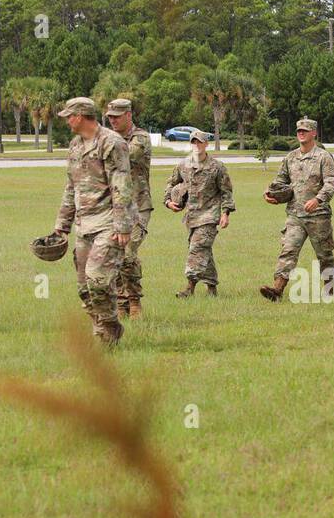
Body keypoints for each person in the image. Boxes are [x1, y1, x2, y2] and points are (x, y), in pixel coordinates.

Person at [51, 97, 135, 344]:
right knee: (84, 288)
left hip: (108, 221)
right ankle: (102, 330)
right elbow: (71, 186)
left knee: (98, 277)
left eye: (69, 116)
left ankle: (110, 325)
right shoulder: (75, 145)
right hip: (83, 223)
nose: (67, 121)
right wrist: (62, 225)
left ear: (80, 116)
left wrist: (122, 225)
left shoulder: (111, 143)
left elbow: (121, 185)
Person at [259, 118, 334, 302]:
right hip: (295, 215)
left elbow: (331, 183)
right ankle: (277, 289)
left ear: (314, 133)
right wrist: (270, 193)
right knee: (288, 250)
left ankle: (330, 290)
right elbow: (280, 181)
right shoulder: (291, 157)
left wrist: (318, 200)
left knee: (324, 255)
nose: (301, 133)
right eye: (299, 130)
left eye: (305, 130)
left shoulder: (323, 157)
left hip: (318, 216)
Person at [164, 129, 234, 297]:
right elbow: (171, 184)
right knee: (204, 251)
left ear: (206, 144)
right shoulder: (183, 165)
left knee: (197, 248)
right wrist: (168, 202)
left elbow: (226, 191)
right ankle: (212, 288)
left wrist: (226, 213)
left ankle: (189, 289)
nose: (197, 145)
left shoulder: (216, 167)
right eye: (193, 142)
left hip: (210, 215)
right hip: (191, 217)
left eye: (200, 141)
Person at [103, 98, 153, 319]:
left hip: (138, 206)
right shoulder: (107, 138)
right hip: (114, 208)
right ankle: (121, 304)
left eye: (117, 116)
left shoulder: (140, 138)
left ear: (129, 115)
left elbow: (125, 157)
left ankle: (134, 302)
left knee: (128, 253)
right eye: (110, 117)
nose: (112, 120)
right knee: (114, 255)